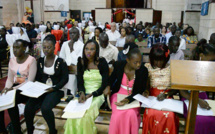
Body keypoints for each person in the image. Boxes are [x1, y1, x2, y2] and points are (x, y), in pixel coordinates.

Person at [24, 35, 69, 134]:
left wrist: (54, 88)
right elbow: (38, 78)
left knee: (45, 108)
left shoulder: (60, 61)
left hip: (57, 90)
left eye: (49, 47)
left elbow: (65, 79)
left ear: (54, 47)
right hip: (43, 90)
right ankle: (30, 130)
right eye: (44, 47)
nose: (46, 50)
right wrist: (37, 88)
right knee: (29, 106)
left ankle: (52, 130)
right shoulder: (40, 61)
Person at [64, 39, 109, 134]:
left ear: (96, 51)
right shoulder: (81, 62)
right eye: (87, 49)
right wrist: (82, 93)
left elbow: (104, 84)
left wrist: (93, 94)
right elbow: (80, 82)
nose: (89, 51)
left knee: (86, 116)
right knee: (73, 114)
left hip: (97, 94)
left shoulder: (102, 62)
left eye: (92, 49)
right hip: (84, 93)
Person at [107, 44, 148, 134]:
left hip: (135, 96)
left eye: (140, 62)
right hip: (118, 94)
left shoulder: (143, 70)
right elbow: (111, 79)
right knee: (117, 114)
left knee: (131, 114)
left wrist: (127, 99)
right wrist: (108, 86)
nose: (138, 65)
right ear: (128, 60)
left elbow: (140, 90)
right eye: (135, 62)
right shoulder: (119, 65)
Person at [0, 39, 37, 134]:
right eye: (14, 48)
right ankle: (2, 129)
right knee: (2, 98)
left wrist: (13, 89)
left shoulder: (31, 60)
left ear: (24, 48)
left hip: (27, 88)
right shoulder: (12, 60)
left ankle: (16, 129)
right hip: (15, 87)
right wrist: (7, 88)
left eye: (18, 47)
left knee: (12, 100)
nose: (15, 50)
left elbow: (30, 81)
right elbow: (10, 78)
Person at [142, 44, 179, 134]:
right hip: (152, 98)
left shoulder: (172, 68)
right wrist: (146, 92)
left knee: (170, 115)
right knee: (151, 114)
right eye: (155, 60)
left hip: (167, 98)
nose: (158, 63)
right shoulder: (147, 67)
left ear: (166, 58)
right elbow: (145, 85)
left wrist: (166, 94)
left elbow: (177, 88)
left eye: (161, 60)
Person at [180, 43, 215, 134]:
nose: (213, 63)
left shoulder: (209, 68)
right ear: (201, 56)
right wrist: (198, 101)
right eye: (212, 60)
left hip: (203, 97)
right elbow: (182, 92)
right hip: (189, 98)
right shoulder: (187, 67)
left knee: (212, 119)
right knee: (198, 120)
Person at [59, 27, 84, 96]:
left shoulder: (81, 45)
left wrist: (71, 49)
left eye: (74, 33)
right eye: (71, 33)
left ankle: (71, 94)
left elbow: (78, 60)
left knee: (72, 75)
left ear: (78, 35)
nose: (72, 35)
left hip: (75, 70)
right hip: (65, 68)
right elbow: (61, 57)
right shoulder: (65, 44)